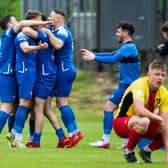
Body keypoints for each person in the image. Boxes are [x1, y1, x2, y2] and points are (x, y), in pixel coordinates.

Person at [80, 21, 140, 148]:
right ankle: (126, 141)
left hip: (128, 86)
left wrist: (94, 57)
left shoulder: (129, 47)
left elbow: (113, 59)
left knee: (108, 108)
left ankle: (105, 140)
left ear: (126, 33)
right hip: (129, 85)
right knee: (125, 113)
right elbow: (111, 54)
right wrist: (93, 54)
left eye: (118, 31)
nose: (116, 34)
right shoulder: (127, 47)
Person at [0, 13, 50, 145]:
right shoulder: (9, 34)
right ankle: (17, 138)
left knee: (13, 108)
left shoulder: (9, 36)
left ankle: (13, 139)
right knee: (10, 106)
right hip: (9, 74)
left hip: (12, 74)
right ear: (10, 25)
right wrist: (43, 24)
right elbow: (23, 26)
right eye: (15, 20)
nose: (18, 22)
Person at [22, 14, 69, 148]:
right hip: (46, 74)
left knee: (38, 108)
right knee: (46, 109)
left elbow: (26, 30)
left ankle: (36, 141)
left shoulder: (43, 34)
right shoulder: (43, 32)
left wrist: (26, 25)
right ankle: (62, 137)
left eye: (37, 21)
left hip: (45, 75)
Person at [42, 8, 84, 148]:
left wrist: (47, 32)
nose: (48, 18)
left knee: (62, 103)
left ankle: (74, 132)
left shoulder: (63, 31)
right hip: (62, 69)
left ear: (58, 19)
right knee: (61, 103)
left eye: (51, 16)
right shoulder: (56, 30)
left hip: (64, 70)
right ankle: (75, 132)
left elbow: (58, 45)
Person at [113, 59, 168, 163]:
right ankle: (128, 151)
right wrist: (158, 117)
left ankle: (146, 150)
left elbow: (165, 124)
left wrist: (167, 155)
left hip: (142, 124)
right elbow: (139, 110)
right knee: (144, 120)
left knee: (165, 126)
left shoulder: (164, 92)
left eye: (162, 75)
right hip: (121, 123)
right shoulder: (140, 84)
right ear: (148, 74)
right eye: (156, 74)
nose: (160, 78)